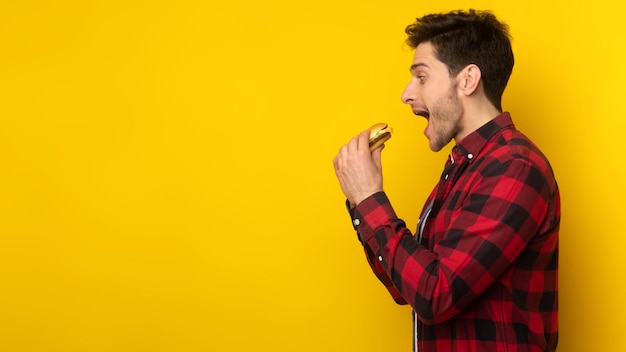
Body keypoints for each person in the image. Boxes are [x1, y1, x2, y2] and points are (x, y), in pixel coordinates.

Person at [332, 9, 560, 352]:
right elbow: (406, 288)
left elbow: (435, 295)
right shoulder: (462, 169)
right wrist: (362, 202)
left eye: (421, 77)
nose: (406, 94)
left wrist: (369, 200)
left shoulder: (514, 166)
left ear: (467, 80)